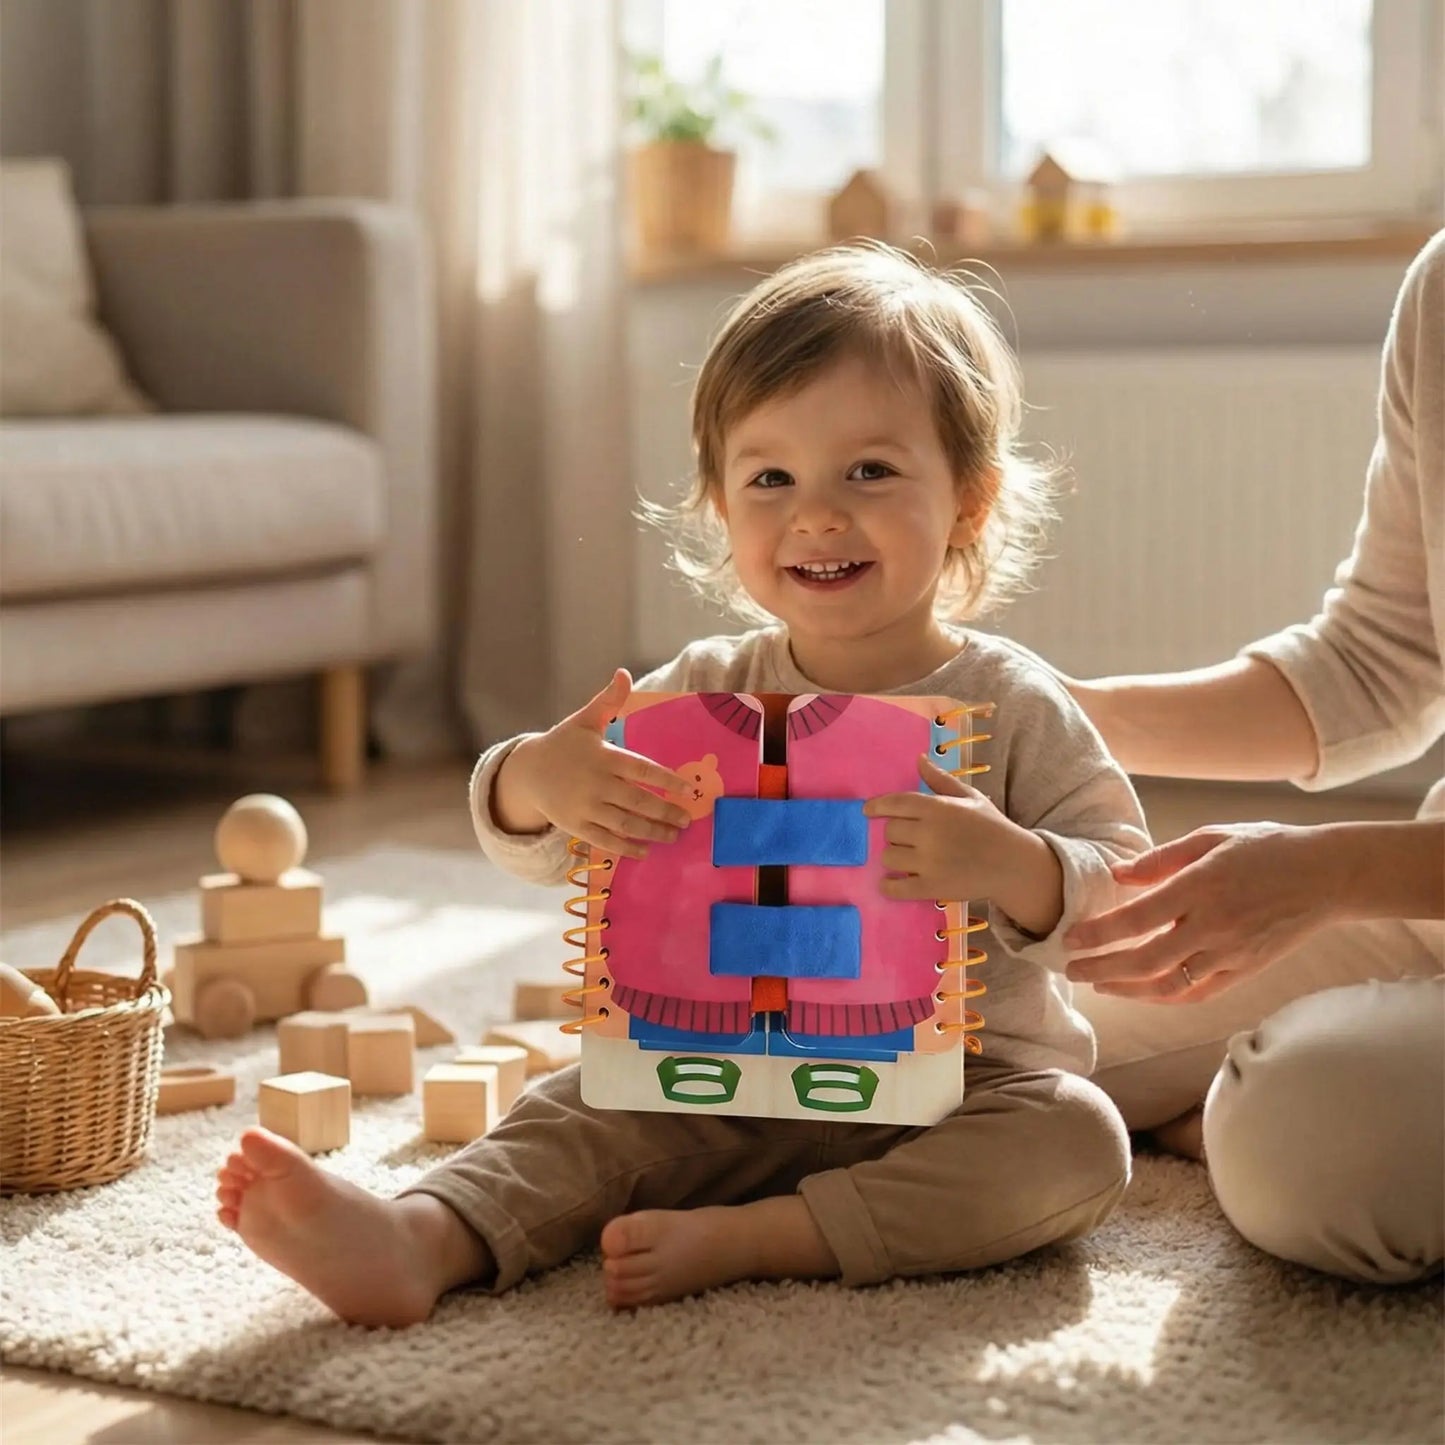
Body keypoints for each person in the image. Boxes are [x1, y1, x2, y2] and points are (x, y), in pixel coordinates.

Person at [215, 241, 1151, 1326]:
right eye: (770, 479)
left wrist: (1017, 863)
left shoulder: (1015, 701)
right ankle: (420, 1235)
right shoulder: (698, 693)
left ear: (969, 503)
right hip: (712, 1068)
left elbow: (1122, 887)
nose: (815, 513)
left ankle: (773, 1235)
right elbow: (549, 842)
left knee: (1076, 1139)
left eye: (869, 471)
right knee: (575, 1104)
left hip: (957, 1092)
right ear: (720, 506)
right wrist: (534, 778)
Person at [1061, 229, 1444, 1286]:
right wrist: (1054, 710)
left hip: (1397, 881)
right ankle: (1219, 1099)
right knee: (987, 1031)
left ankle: (1231, 1107)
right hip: (1432, 897)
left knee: (1312, 1141)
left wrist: (1327, 873)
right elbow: (1376, 660)